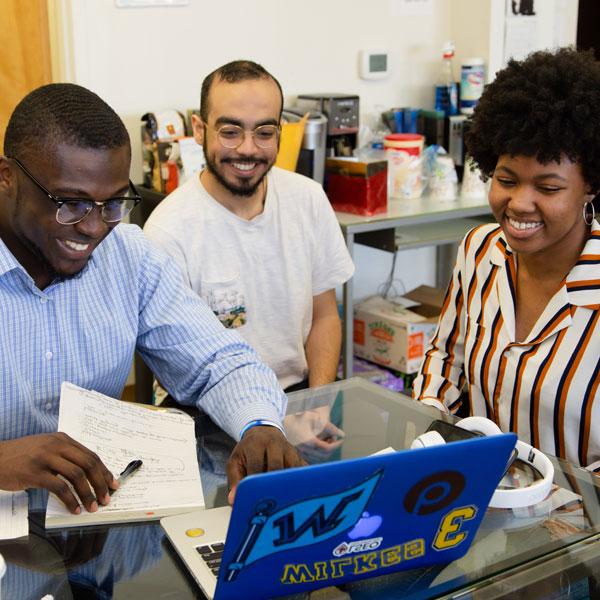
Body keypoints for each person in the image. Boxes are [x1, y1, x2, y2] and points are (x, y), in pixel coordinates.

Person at [0, 83, 303, 514]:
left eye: (112, 204)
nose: (93, 228)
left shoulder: (128, 255)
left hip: (89, 525)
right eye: (70, 203)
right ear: (5, 176)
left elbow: (219, 362)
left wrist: (259, 426)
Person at [413, 48, 600, 472]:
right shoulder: (480, 250)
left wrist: (555, 507)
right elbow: (446, 359)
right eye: (506, 180)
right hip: (477, 500)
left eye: (548, 188)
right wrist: (428, 433)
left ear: (590, 185)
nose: (518, 204)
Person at [144, 60, 354, 393]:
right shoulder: (169, 231)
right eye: (229, 132)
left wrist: (318, 404)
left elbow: (325, 316)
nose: (247, 148)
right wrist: (258, 422)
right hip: (205, 403)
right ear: (199, 130)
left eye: (264, 133)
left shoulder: (308, 200)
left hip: (295, 394)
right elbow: (181, 363)